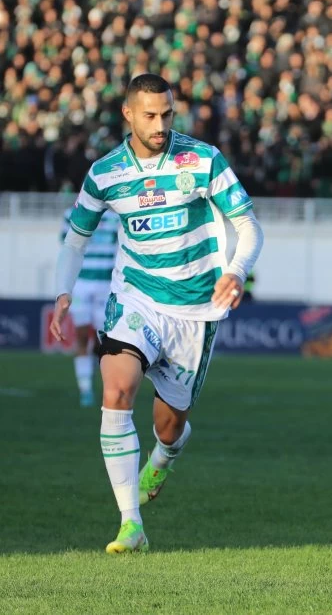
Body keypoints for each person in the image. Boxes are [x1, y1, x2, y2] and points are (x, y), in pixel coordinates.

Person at [50, 74, 264, 554]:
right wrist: (63, 292)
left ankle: (164, 458)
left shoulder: (203, 159)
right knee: (117, 387)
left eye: (167, 113)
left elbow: (248, 225)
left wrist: (237, 270)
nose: (161, 124)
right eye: (150, 115)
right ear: (128, 114)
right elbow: (77, 238)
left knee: (169, 426)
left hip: (194, 311)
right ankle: (132, 523)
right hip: (135, 299)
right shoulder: (105, 172)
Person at [60, 208, 120, 407]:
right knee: (82, 335)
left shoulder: (115, 216)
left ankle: (93, 371)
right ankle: (85, 390)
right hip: (81, 283)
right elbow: (68, 247)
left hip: (106, 284)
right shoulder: (71, 215)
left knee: (102, 340)